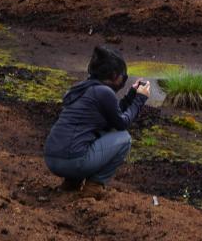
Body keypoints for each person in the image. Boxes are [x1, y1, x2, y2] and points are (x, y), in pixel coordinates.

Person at [43, 44, 150, 192]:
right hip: (72, 162)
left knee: (93, 135)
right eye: (122, 75)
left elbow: (114, 115)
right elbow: (122, 123)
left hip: (51, 158)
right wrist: (140, 99)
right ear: (114, 75)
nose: (123, 79)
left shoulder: (83, 88)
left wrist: (131, 94)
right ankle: (94, 186)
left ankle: (71, 184)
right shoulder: (103, 92)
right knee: (124, 139)